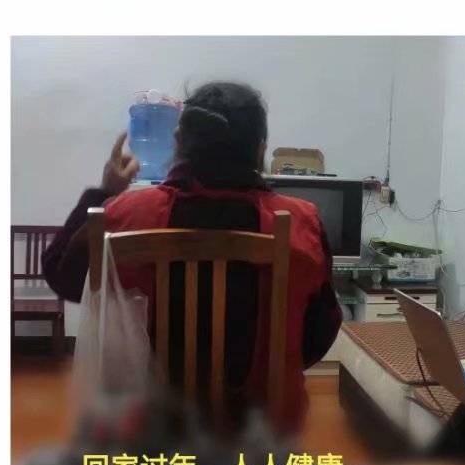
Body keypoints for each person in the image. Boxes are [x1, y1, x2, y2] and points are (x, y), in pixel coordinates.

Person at [43, 81, 342, 434]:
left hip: (149, 435)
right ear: (260, 148)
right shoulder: (301, 222)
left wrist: (104, 191)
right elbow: (320, 331)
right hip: (262, 436)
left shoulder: (124, 214)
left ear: (178, 141)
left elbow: (61, 274)